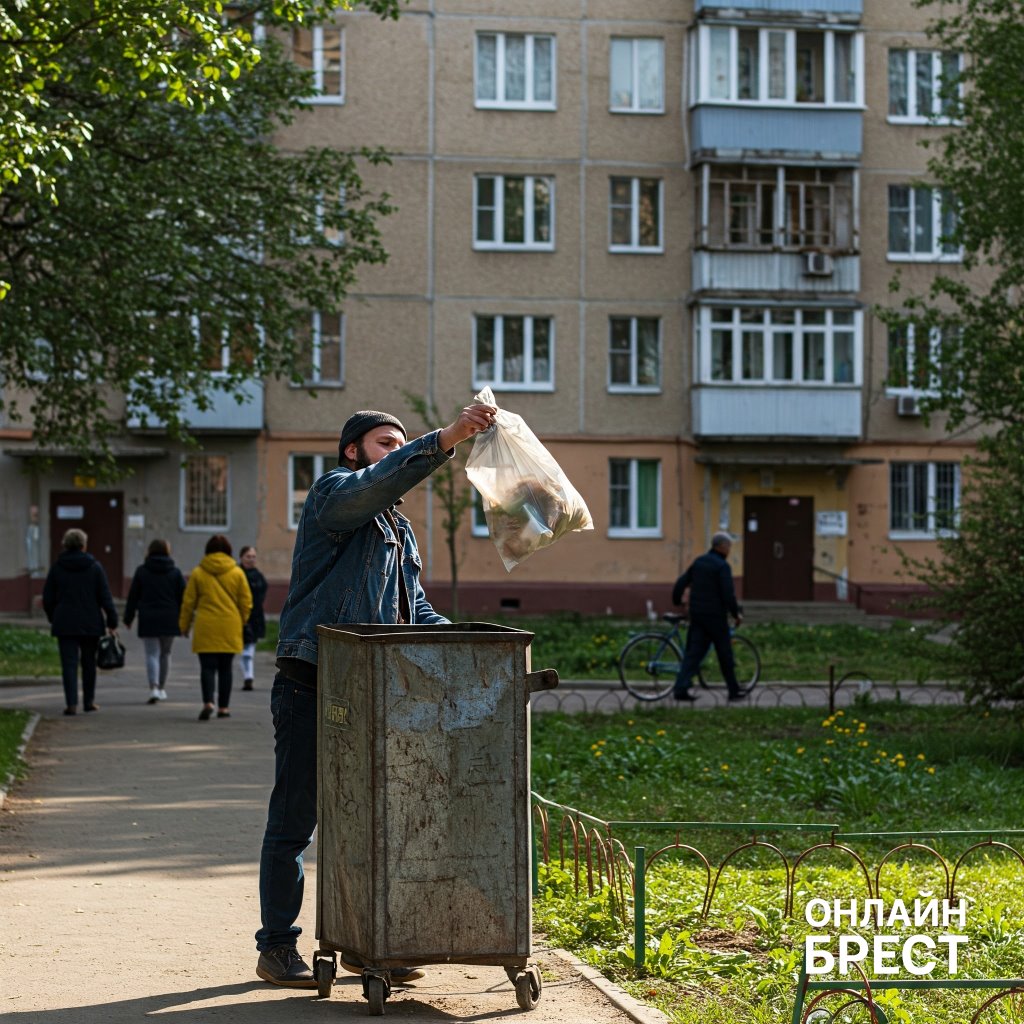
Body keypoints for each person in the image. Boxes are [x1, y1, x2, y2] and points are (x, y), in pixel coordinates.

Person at [254, 403, 496, 989]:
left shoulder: (397, 529)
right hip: (313, 683)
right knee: (296, 823)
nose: (394, 450)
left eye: (400, 442)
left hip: (372, 697)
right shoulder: (333, 496)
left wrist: (476, 643)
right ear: (353, 450)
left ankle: (366, 943)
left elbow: (414, 613)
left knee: (375, 823)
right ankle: (277, 947)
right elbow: (375, 485)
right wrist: (446, 438)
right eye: (385, 442)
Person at [42, 528, 118, 716]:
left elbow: (47, 597)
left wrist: (54, 616)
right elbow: (105, 596)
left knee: (69, 664)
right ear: (84, 545)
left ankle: (71, 704)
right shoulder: (95, 567)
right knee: (89, 663)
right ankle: (89, 701)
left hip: (65, 622)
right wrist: (112, 620)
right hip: (90, 622)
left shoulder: (57, 567)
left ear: (65, 545)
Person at [179, 535, 253, 721]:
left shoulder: (198, 573)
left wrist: (184, 625)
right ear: (229, 551)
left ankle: (208, 703)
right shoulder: (237, 573)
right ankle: (224, 708)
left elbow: (188, 602)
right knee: (226, 668)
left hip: (206, 625)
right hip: (230, 624)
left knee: (207, 667)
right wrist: (242, 620)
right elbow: (246, 601)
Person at [671, 531, 746, 703]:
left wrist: (676, 600)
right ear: (722, 547)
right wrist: (736, 614)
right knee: (725, 654)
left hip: (697, 615)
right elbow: (728, 594)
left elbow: (682, 581)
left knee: (693, 654)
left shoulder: (699, 562)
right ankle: (733, 691)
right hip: (715, 617)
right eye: (728, 547)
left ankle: (681, 688)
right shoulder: (722, 567)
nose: (729, 550)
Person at [123, 538, 186, 704]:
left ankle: (154, 687)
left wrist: (128, 618)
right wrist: (185, 619)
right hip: (170, 617)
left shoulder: (142, 571)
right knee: (165, 653)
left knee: (151, 653)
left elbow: (133, 597)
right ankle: (162, 688)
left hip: (148, 617)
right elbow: (183, 598)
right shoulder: (175, 572)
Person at [238, 546, 267, 692]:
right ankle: (247, 675)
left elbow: (263, 591)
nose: (251, 559)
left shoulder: (258, 575)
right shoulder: (238, 574)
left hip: (256, 615)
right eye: (248, 556)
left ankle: (248, 676)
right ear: (241, 557)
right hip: (241, 615)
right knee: (245, 647)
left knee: (250, 646)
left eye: (253, 556)